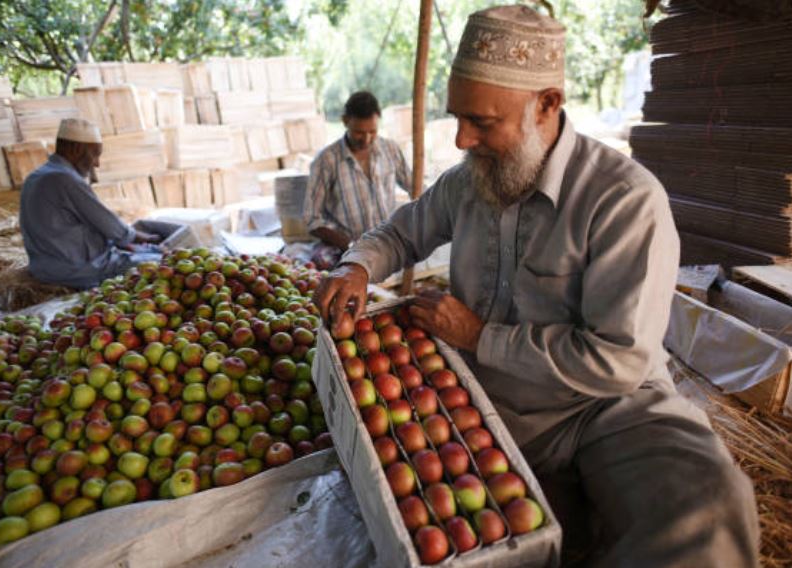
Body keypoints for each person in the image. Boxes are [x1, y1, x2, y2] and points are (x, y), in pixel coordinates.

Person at [315, 6, 758, 567]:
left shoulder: (624, 201)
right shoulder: (468, 183)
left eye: (482, 121)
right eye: (457, 117)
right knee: (424, 515)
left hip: (606, 409)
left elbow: (618, 361)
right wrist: (356, 265)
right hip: (489, 400)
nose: (461, 139)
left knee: (711, 502)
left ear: (546, 104)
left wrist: (479, 336)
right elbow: (400, 232)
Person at [20, 118, 163, 289]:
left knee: (143, 252)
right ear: (77, 149)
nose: (97, 163)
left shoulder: (38, 175)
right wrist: (143, 238)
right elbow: (109, 225)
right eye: (95, 154)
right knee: (162, 260)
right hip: (77, 270)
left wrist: (128, 242)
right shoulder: (64, 179)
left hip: (45, 266)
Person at [302, 91, 412, 262]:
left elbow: (416, 188)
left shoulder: (390, 149)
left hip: (387, 243)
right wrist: (349, 245)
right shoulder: (326, 161)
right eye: (359, 132)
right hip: (345, 248)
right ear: (345, 121)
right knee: (324, 264)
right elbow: (311, 219)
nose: (367, 139)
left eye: (372, 131)